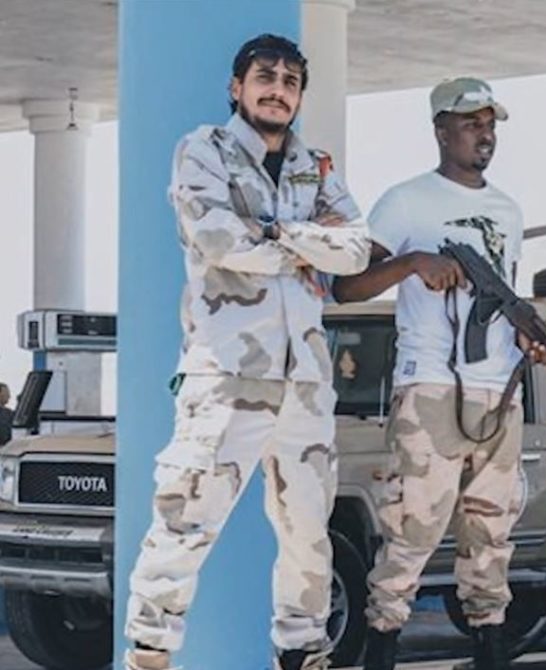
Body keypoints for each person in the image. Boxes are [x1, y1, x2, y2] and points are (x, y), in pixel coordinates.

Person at [122, 34, 370, 670]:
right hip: (227, 373)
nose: (277, 90)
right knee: (186, 519)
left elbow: (356, 249)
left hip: (305, 379)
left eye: (290, 82)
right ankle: (149, 653)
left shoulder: (314, 165)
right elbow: (218, 240)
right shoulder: (203, 150)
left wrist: (276, 231)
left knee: (307, 531)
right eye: (265, 77)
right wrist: (304, 247)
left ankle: (302, 652)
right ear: (237, 87)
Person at [334, 77, 546, 670]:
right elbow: (346, 286)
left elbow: (501, 299)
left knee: (492, 534)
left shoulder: (507, 209)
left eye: (490, 123)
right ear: (441, 129)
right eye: (472, 122)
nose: (485, 134)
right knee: (412, 530)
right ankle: (382, 644)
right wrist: (411, 263)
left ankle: (490, 649)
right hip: (431, 385)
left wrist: (525, 334)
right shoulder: (407, 201)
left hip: (497, 390)